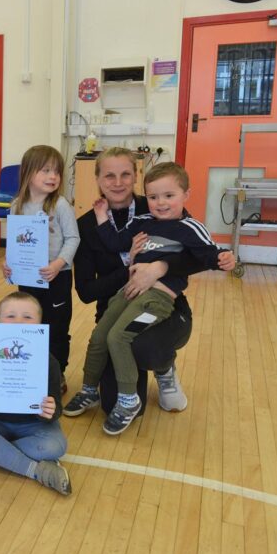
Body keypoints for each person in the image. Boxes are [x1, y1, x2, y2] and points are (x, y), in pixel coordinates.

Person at [65, 162, 235, 435]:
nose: (160, 202)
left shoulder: (189, 227)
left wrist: (222, 258)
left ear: (186, 195)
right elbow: (115, 242)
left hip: (157, 300)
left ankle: (130, 398)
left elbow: (207, 255)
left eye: (169, 196)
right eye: (154, 197)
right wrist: (100, 215)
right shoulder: (143, 221)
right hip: (129, 291)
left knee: (118, 338)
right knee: (100, 336)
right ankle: (89, 390)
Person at [0, 292, 71, 495]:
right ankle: (35, 470)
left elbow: (56, 406)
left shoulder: (49, 362)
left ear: (39, 324)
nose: (18, 321)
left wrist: (49, 411)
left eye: (27, 317)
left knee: (56, 445)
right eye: (10, 316)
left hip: (34, 425)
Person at [3, 145, 79, 388]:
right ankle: (32, 370)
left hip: (57, 278)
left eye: (56, 171)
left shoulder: (61, 205)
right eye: (45, 170)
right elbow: (14, 242)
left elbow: (73, 238)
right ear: (28, 172)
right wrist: (8, 264)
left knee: (56, 328)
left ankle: (57, 374)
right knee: (29, 324)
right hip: (28, 279)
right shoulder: (17, 205)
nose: (53, 176)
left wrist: (58, 264)